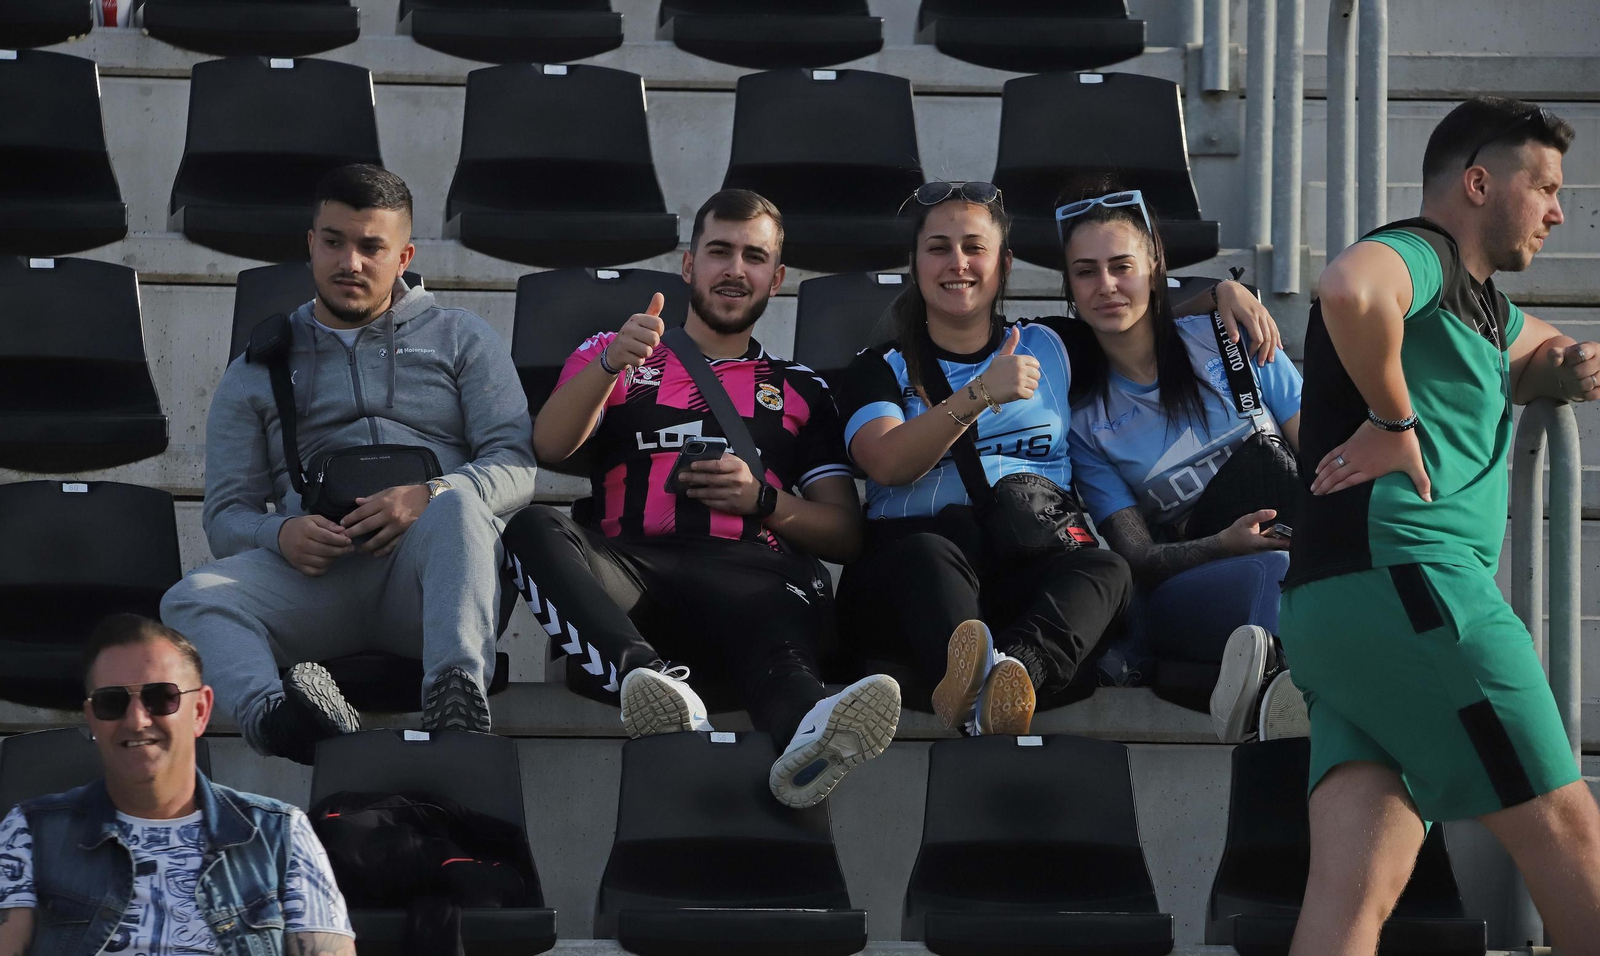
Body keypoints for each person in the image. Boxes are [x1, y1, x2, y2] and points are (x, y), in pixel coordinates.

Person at [1281, 96, 1600, 955]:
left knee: (1353, 895)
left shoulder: (1480, 303)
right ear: (1478, 182)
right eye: (1545, 189)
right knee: (1572, 834)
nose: (1559, 211)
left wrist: (1564, 368)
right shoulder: (1422, 252)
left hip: (1333, 611)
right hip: (1412, 586)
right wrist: (1393, 420)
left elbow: (1533, 350)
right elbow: (1350, 286)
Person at [501, 188, 900, 809]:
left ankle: (812, 735)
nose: (735, 270)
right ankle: (648, 683)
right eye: (719, 251)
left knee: (779, 617)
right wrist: (609, 365)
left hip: (751, 582)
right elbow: (550, 447)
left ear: (778, 276)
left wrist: (765, 502)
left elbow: (845, 535)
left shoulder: (801, 388)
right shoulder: (621, 352)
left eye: (754, 256)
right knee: (529, 527)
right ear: (688, 266)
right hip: (634, 583)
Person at [834, 181, 1276, 736]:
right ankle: (979, 689)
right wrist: (979, 395)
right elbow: (887, 462)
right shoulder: (881, 366)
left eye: (975, 247)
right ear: (915, 263)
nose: (958, 263)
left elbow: (1133, 319)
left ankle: (1014, 673)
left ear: (1005, 263)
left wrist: (1219, 296)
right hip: (913, 580)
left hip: (1024, 562)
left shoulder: (1054, 344)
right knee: (925, 555)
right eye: (938, 248)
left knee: (1107, 568)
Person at [160, 164, 537, 764]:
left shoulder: (462, 337)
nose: (350, 262)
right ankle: (284, 722)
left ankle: (456, 700)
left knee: (462, 503)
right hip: (315, 579)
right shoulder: (257, 366)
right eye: (334, 241)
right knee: (189, 599)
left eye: (371, 247)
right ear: (311, 244)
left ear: (404, 254)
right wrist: (279, 533)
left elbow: (516, 468)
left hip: (426, 578)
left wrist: (431, 493)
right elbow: (226, 515)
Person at [1059, 187, 1308, 743]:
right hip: (1191, 588)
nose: (1106, 286)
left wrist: (1224, 291)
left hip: (1301, 555)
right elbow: (1140, 560)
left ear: (1154, 268)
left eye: (1122, 266)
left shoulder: (1230, 341)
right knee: (1272, 573)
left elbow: (1325, 458)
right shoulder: (1083, 420)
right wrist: (1223, 544)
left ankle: (1280, 685)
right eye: (1085, 272)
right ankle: (1276, 691)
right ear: (1070, 287)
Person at [0, 614, 354, 956]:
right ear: (92, 718)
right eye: (112, 702)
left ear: (200, 710)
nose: (137, 720)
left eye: (160, 698)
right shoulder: (31, 832)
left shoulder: (280, 834)